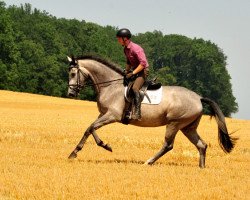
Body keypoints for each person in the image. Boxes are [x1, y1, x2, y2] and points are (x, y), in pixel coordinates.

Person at [116, 28, 149, 120]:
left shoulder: (136, 48)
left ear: (125, 39)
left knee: (135, 88)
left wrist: (133, 73)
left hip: (143, 71)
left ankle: (137, 113)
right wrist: (126, 72)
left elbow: (143, 64)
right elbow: (129, 62)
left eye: (119, 38)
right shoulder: (126, 49)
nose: (118, 40)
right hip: (134, 71)